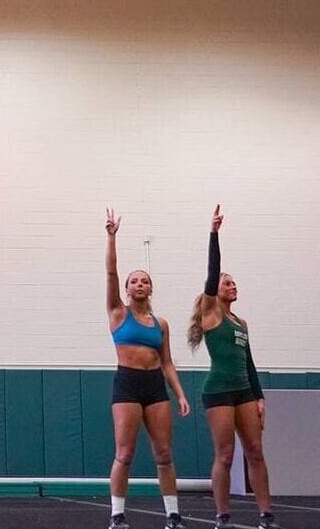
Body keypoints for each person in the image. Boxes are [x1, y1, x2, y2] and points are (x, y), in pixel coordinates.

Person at [188, 206, 280, 529]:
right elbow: (212, 273)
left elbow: (249, 362)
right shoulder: (212, 315)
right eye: (228, 283)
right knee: (225, 456)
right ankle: (222, 516)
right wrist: (214, 233)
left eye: (234, 283)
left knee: (255, 451)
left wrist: (259, 397)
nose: (232, 285)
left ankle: (266, 515)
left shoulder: (241, 322)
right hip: (218, 391)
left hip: (243, 391)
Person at [105, 207, 189, 529]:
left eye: (144, 281)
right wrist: (112, 238)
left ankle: (173, 515)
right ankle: (117, 515)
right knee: (124, 454)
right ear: (127, 289)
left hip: (155, 386)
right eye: (134, 281)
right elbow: (111, 273)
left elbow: (167, 362)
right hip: (127, 384)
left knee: (164, 454)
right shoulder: (117, 312)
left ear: (150, 288)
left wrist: (179, 394)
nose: (139, 284)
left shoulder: (160, 323)